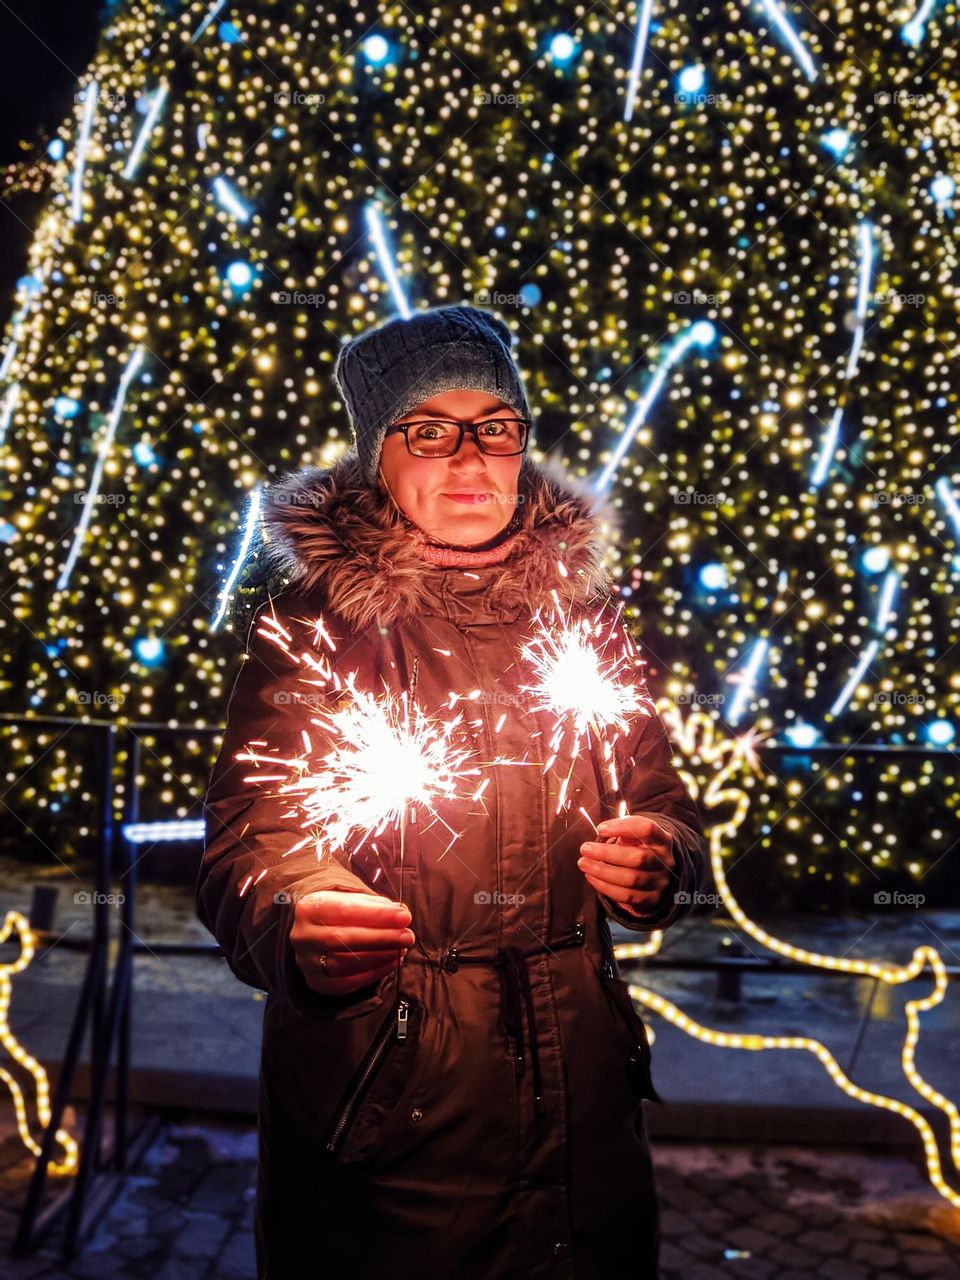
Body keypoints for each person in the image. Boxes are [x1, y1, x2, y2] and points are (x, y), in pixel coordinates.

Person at [197, 304, 706, 1279]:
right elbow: (244, 845)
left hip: (587, 1115)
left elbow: (668, 805)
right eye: (431, 429)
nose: (471, 458)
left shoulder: (588, 621)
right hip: (388, 1124)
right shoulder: (314, 625)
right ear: (377, 455)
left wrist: (662, 863)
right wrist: (296, 914)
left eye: (497, 427)